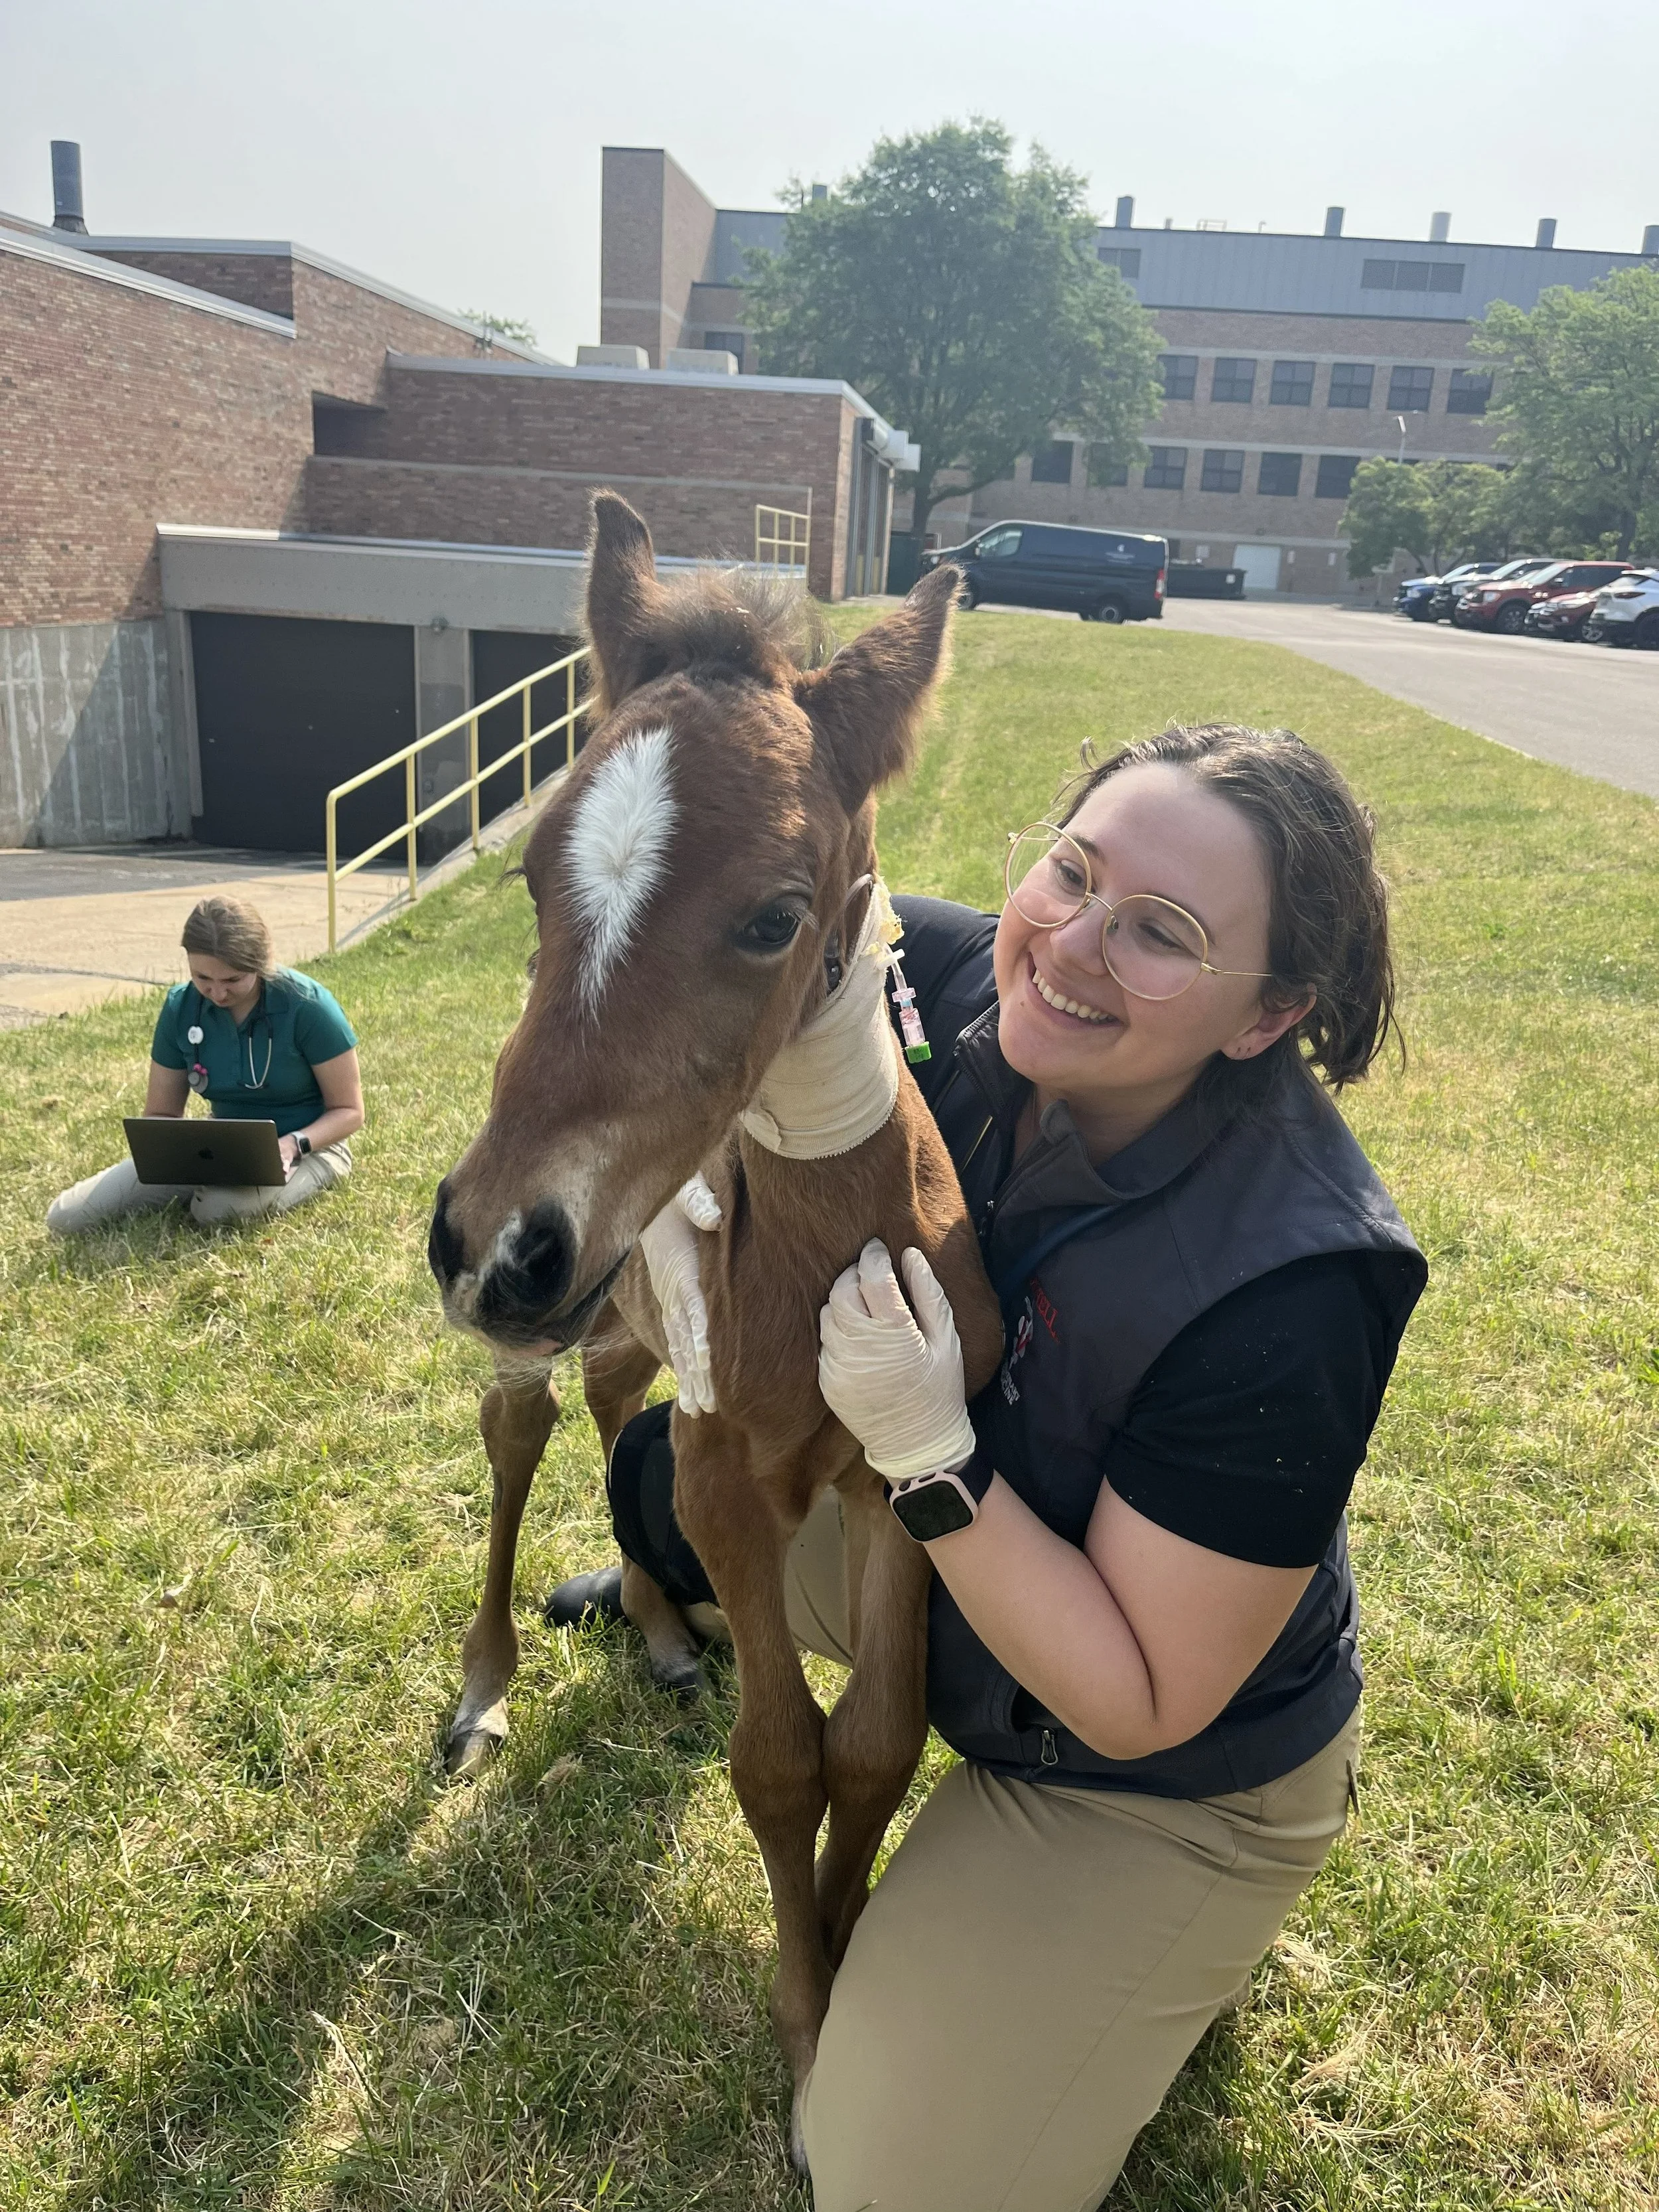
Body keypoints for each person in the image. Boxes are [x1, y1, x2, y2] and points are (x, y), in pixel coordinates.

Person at [548, 722, 1427, 2212]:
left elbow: (1136, 1698)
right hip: (961, 1585)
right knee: (661, 1485)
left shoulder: (1292, 1281)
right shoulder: (938, 981)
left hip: (1141, 1762)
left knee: (883, 2172)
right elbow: (723, 947)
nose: (1073, 944)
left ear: (1267, 1012)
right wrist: (684, 1158)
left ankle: (1166, 1936)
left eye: (1160, 932)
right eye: (1070, 872)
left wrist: (928, 1452)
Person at [47, 895, 364, 1234]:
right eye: (202, 978)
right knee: (66, 1217)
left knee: (217, 1212)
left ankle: (222, 1194)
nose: (217, 993)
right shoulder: (181, 1008)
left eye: (233, 980)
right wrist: (176, 1156)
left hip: (310, 1149)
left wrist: (292, 1144)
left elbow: (349, 1111)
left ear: (261, 963)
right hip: (217, 1152)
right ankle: (213, 1188)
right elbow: (161, 1114)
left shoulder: (308, 1007)